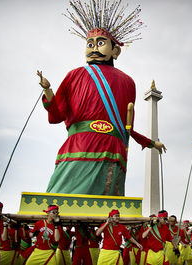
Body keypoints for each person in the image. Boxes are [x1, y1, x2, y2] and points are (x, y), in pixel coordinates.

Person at [37, 0, 166, 196]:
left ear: (115, 51)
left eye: (101, 43)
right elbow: (56, 115)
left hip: (111, 150)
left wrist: (150, 142)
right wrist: (48, 92)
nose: (94, 48)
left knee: (106, 206)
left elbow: (126, 126)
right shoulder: (74, 75)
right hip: (79, 145)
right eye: (90, 44)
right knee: (61, 198)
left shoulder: (128, 82)